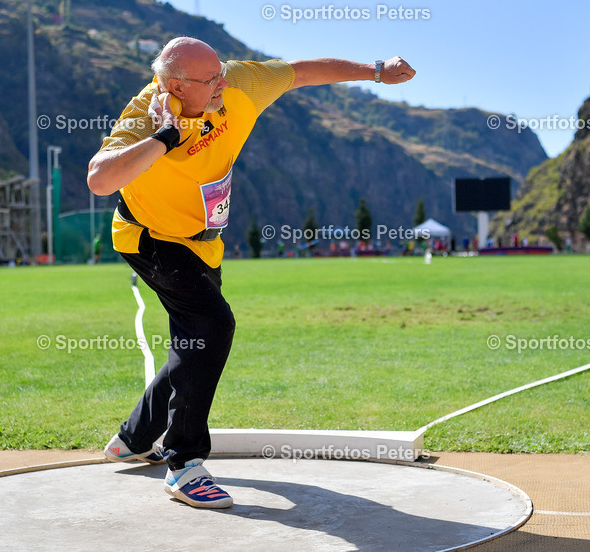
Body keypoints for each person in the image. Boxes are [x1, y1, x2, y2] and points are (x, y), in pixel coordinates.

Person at [87, 37, 415, 509]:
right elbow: (100, 179)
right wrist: (164, 138)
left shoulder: (238, 81)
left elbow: (302, 72)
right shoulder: (144, 114)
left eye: (221, 71)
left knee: (195, 341)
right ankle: (183, 463)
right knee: (211, 325)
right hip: (150, 236)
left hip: (204, 241)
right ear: (175, 86)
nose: (223, 82)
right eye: (210, 79)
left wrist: (376, 69)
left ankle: (134, 437)